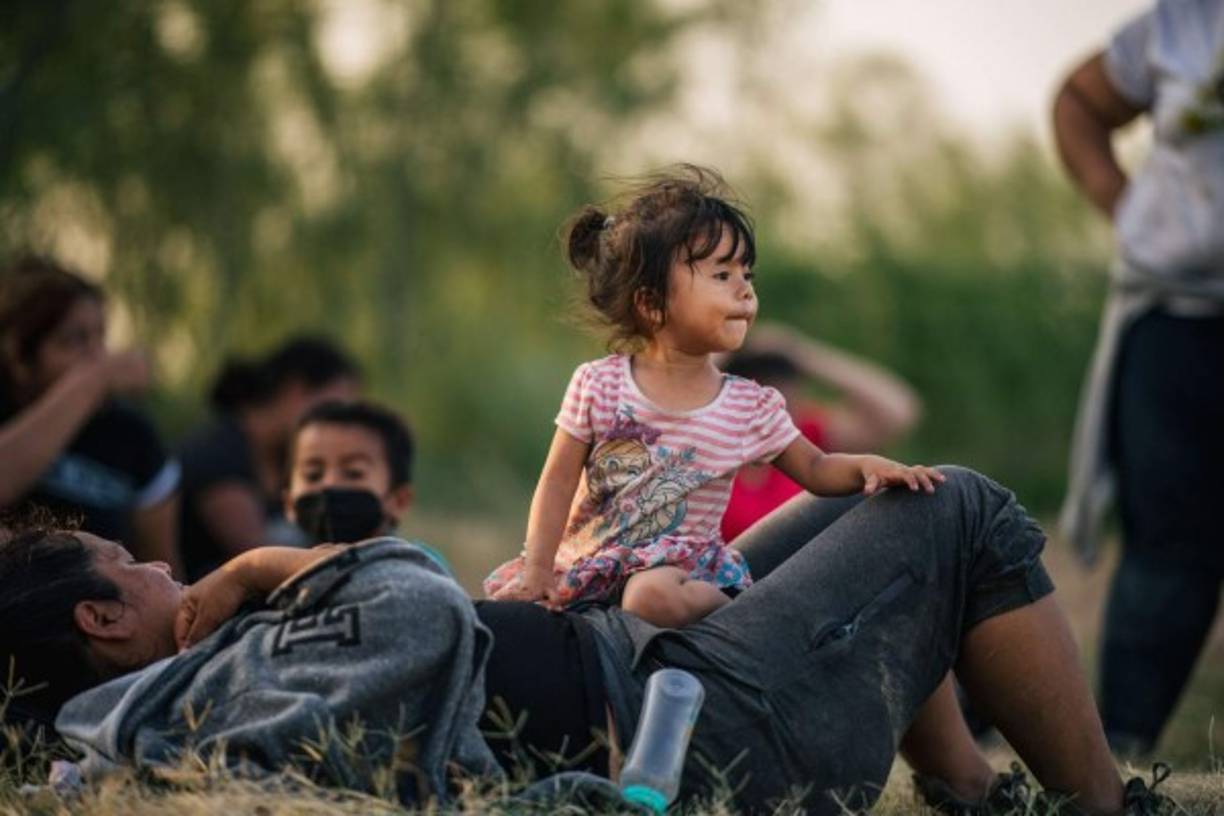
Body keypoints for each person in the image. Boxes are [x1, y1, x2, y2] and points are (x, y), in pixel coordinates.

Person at [0, 467, 1172, 814]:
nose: (162, 565)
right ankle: (1100, 809)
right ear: (104, 621)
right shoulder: (203, 697)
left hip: (640, 660)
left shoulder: (197, 689)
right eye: (133, 568)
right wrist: (262, 565)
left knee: (884, 501)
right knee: (958, 513)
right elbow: (417, 609)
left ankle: (970, 791)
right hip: (701, 734)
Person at [484, 167, 942, 628]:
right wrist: (538, 570)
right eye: (722, 274)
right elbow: (557, 483)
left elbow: (816, 469)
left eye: (747, 273)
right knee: (499, 624)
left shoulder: (748, 406)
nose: (745, 289)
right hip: (587, 566)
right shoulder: (599, 384)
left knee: (650, 599)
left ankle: (744, 620)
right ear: (651, 303)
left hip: (675, 575)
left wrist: (868, 466)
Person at [1053, 0, 1224, 756]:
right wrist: (1126, 212)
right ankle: (1117, 760)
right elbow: (1080, 102)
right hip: (1179, 315)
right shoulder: (1186, 21)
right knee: (1166, 543)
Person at [0, 255, 181, 574]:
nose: (98, 357)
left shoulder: (131, 433)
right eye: (74, 340)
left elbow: (163, 564)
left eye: (100, 337)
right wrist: (92, 382)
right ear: (19, 356)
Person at [177, 335, 360, 581]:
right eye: (333, 410)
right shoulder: (217, 454)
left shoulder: (289, 463)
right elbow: (258, 559)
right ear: (296, 390)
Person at [718, 321, 921, 542]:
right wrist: (724, 353)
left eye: (785, 383)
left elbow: (897, 410)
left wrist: (801, 354)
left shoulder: (805, 434)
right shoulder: (708, 436)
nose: (776, 395)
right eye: (762, 382)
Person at [279, 398, 450, 574]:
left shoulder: (420, 567)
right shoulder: (269, 572)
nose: (329, 484)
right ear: (289, 503)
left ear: (399, 501)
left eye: (354, 473)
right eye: (313, 475)